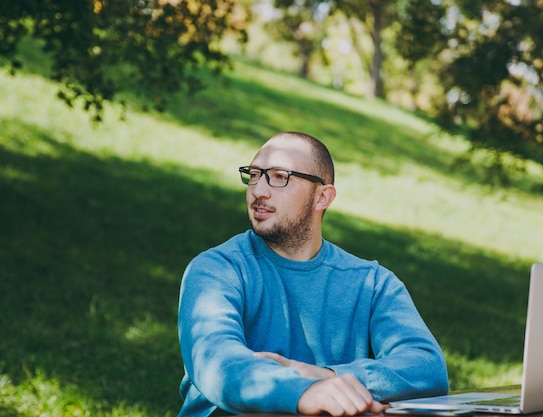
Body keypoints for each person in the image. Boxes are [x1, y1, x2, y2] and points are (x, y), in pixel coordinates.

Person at [177, 131, 449, 417]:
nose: (259, 190)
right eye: (255, 175)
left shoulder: (372, 283)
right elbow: (216, 362)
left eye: (280, 176)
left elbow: (427, 368)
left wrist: (327, 377)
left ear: (322, 197)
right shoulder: (216, 269)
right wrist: (302, 391)